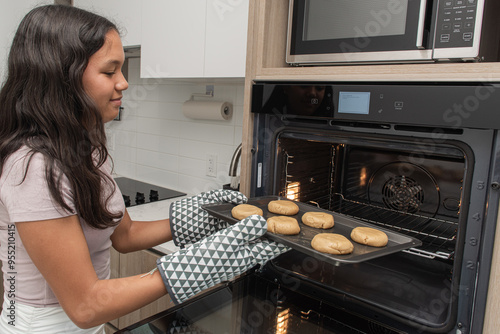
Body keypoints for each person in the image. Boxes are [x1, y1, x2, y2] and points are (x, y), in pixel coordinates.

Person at [0, 5, 287, 333]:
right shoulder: (32, 167)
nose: (124, 83)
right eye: (110, 72)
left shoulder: (87, 149)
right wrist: (192, 267)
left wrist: (202, 216)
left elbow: (124, 235)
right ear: (62, 77)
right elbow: (84, 305)